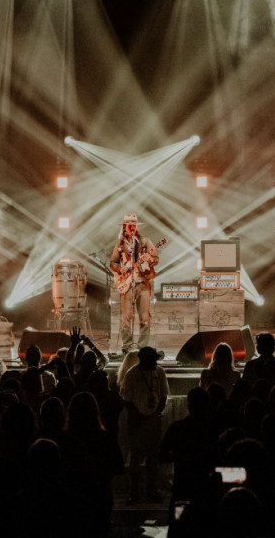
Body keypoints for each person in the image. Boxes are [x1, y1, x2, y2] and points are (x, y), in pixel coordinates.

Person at [119, 346, 169, 502]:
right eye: (153, 360)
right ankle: (134, 491)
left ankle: (151, 490)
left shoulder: (160, 372)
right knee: (136, 458)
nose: (156, 363)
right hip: (137, 422)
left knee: (153, 458)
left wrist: (155, 415)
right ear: (144, 360)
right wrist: (142, 418)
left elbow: (163, 397)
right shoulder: (132, 374)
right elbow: (127, 401)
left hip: (153, 421)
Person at [110, 213, 160, 352]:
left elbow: (156, 259)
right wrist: (121, 269)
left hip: (143, 284)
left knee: (145, 318)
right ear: (124, 226)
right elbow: (113, 263)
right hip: (126, 285)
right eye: (129, 225)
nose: (132, 227)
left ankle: (143, 348)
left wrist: (150, 259)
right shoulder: (120, 244)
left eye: (134, 225)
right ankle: (126, 347)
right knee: (126, 318)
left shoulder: (145, 241)